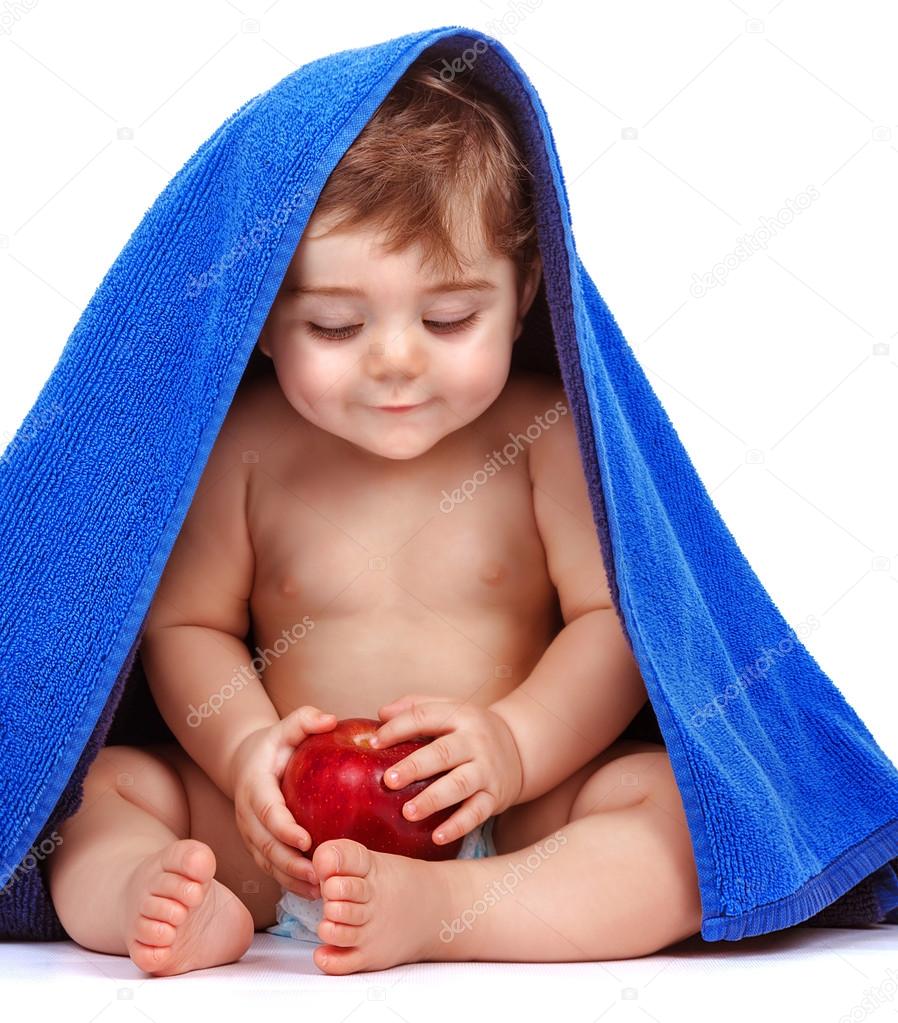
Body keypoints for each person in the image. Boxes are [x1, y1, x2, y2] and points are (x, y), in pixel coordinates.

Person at [45, 56, 702, 977]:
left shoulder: (548, 433)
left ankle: (451, 911)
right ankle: (156, 898)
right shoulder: (239, 447)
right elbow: (185, 622)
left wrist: (512, 746)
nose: (395, 361)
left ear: (523, 296)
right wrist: (243, 757)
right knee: (99, 790)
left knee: (678, 810)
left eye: (447, 319)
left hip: (503, 824)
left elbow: (618, 624)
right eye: (335, 327)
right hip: (273, 842)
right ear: (262, 317)